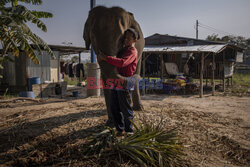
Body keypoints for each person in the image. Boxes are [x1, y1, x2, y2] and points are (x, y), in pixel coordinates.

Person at [98, 28, 138, 136]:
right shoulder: (123, 50)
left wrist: (106, 58)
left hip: (126, 81)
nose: (126, 40)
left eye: (129, 38)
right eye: (125, 38)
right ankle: (120, 130)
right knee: (114, 107)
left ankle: (129, 132)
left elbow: (122, 63)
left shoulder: (132, 52)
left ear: (135, 40)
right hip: (116, 80)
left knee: (125, 108)